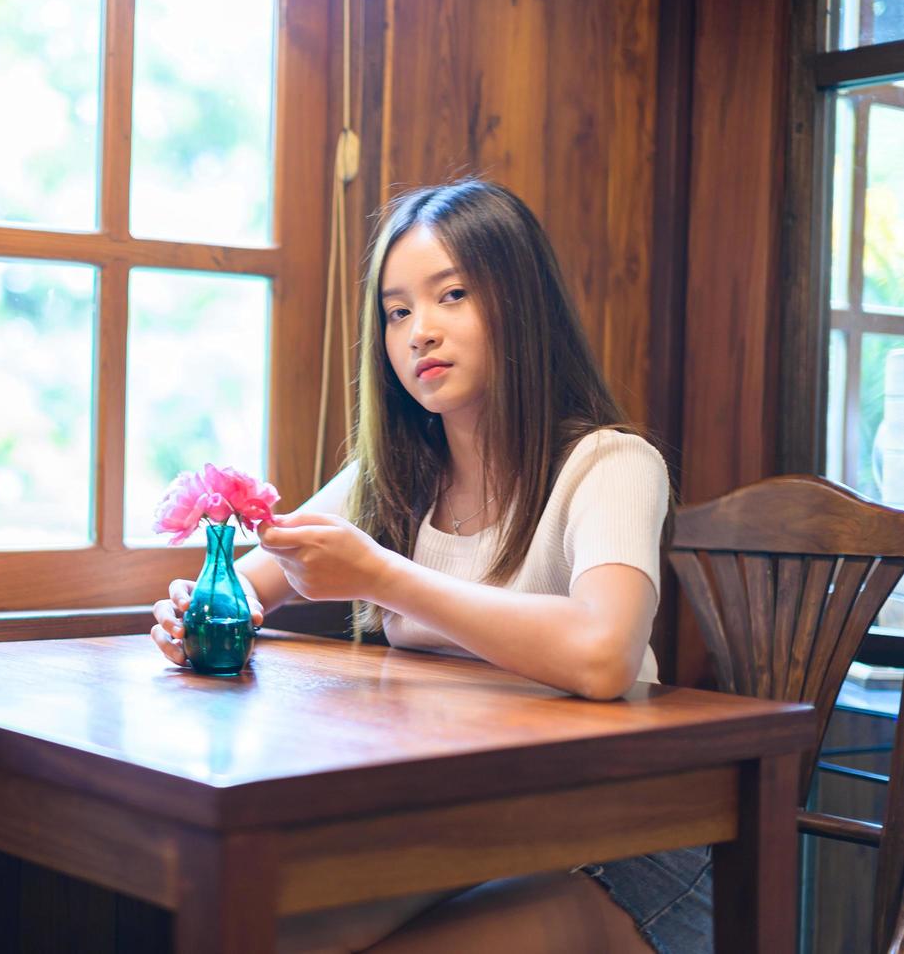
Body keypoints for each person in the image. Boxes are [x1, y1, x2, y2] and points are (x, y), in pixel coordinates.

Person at [148, 180, 707, 953]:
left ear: (521, 304)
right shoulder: (392, 474)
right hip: (459, 825)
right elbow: (255, 578)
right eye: (398, 310)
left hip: (608, 841)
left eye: (451, 295)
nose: (419, 332)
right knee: (258, 933)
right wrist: (202, 608)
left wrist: (381, 576)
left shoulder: (610, 464)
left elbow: (602, 653)